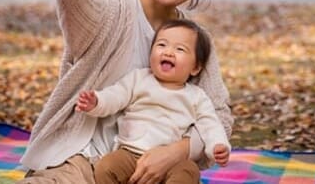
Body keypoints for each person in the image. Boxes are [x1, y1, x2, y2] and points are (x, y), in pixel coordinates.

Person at [18, 0, 233, 184]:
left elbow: (219, 117)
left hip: (151, 171)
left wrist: (177, 151)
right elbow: (78, 9)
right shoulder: (114, 6)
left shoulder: (195, 41)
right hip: (82, 158)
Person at [77, 19, 230, 184]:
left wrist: (218, 145)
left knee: (189, 171)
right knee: (106, 167)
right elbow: (115, 96)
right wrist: (97, 102)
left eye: (180, 49)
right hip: (129, 154)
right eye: (162, 45)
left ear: (195, 68)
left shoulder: (197, 96)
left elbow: (210, 125)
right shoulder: (138, 79)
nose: (168, 52)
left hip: (172, 162)